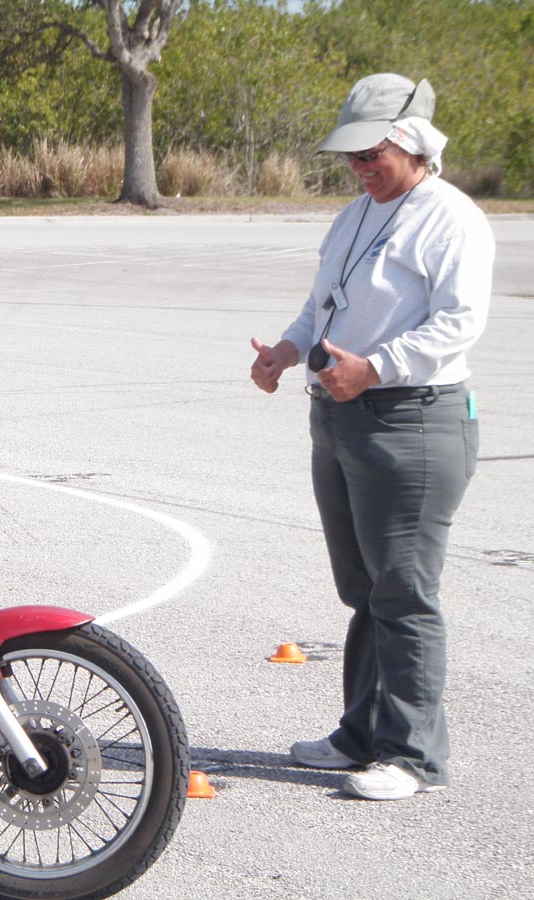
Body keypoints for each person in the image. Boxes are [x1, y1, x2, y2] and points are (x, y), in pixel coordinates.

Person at [249, 75, 494, 801]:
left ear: (413, 143)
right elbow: (320, 307)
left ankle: (412, 756)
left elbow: (459, 322)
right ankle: (361, 733)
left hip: (411, 418)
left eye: (371, 153)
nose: (359, 167)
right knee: (364, 588)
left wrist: (376, 366)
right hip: (341, 414)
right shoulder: (355, 215)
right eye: (351, 156)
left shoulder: (450, 219)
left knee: (404, 591)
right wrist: (286, 352)